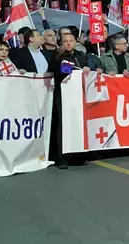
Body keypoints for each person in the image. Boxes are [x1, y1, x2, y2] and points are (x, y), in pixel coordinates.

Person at [49, 32, 91, 169]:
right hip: (63, 94)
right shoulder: (57, 55)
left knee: (78, 123)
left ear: (75, 42)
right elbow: (53, 70)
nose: (68, 43)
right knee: (63, 124)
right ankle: (62, 157)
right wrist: (58, 56)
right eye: (65, 41)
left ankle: (79, 155)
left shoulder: (80, 55)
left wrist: (87, 70)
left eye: (71, 40)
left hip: (78, 94)